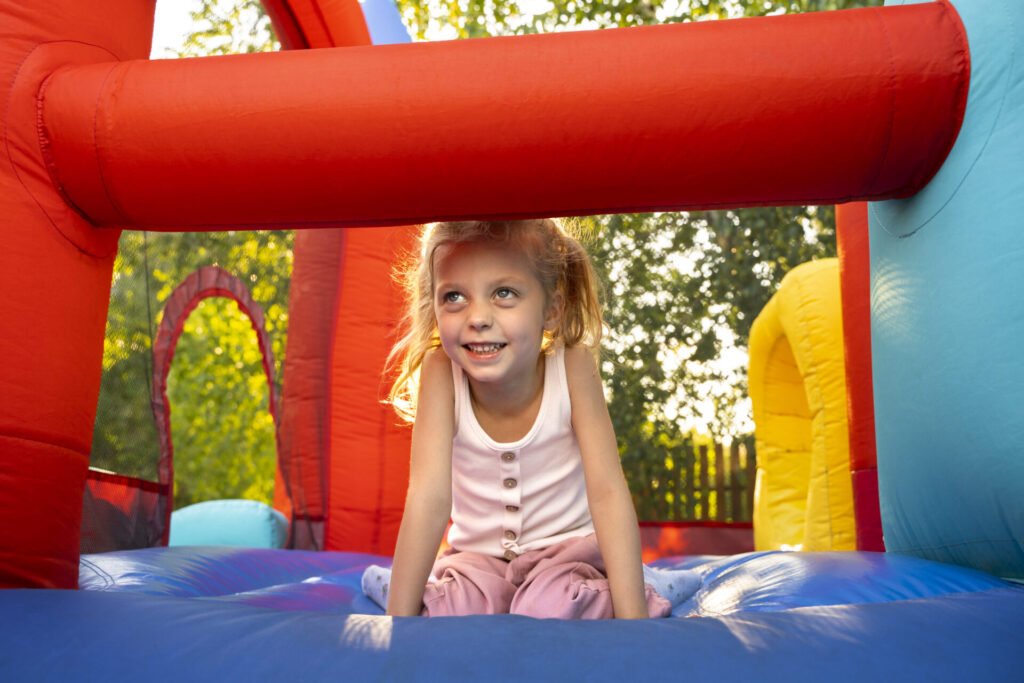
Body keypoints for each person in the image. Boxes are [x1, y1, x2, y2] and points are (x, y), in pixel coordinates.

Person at [362, 219, 695, 619]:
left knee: (552, 608)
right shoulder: (441, 372)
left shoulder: (571, 366)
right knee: (452, 611)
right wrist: (400, 621)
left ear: (551, 311)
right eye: (454, 296)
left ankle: (647, 586)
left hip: (566, 556)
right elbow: (428, 498)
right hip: (478, 561)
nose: (478, 317)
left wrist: (633, 620)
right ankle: (402, 585)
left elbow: (607, 492)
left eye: (504, 293)